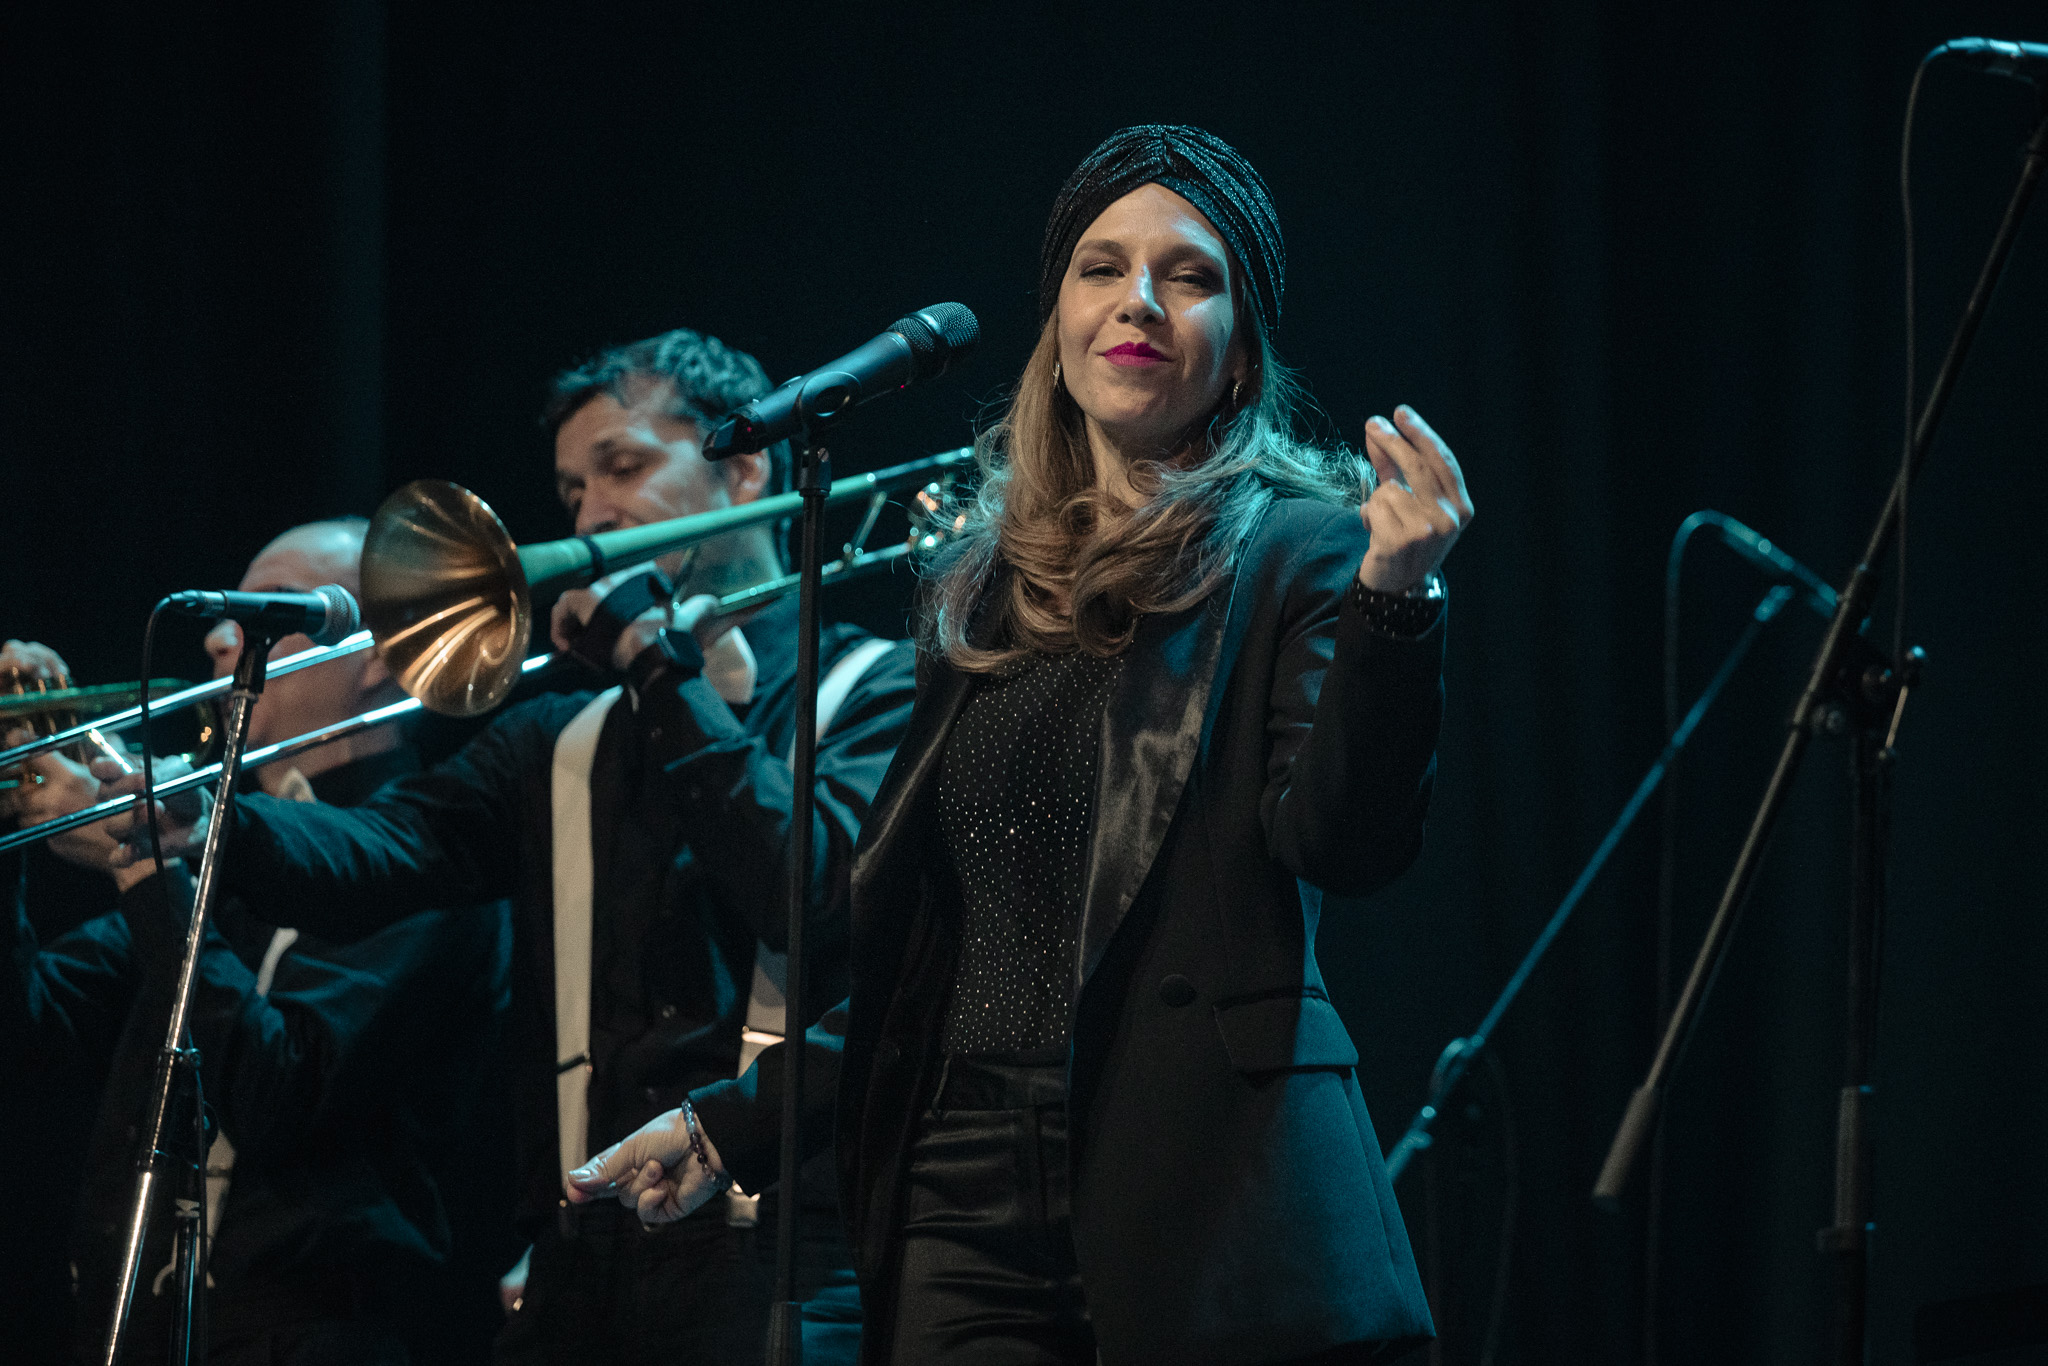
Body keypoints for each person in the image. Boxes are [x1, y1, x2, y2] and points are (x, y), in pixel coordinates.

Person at [569, 125, 1475, 1365]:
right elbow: (946, 954)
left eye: (1188, 276)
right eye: (1100, 268)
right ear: (1057, 326)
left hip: (1205, 1181)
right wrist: (735, 1122)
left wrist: (1394, 604)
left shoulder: (1302, 551)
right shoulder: (985, 586)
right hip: (958, 1188)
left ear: (1239, 350)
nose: (1138, 299)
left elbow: (1342, 841)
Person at [105, 330, 915, 1365]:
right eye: (573, 489)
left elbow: (812, 895)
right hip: (581, 1260)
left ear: (747, 470)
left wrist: (656, 665)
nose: (590, 515)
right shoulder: (556, 736)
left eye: (623, 466)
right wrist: (203, 819)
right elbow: (380, 850)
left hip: (782, 1261)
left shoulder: (880, 689)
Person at [0, 519, 518, 1365]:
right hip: (138, 1327)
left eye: (272, 608)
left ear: (381, 654)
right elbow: (30, 1033)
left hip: (308, 1334)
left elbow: (278, 1093)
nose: (218, 635)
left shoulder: (423, 869)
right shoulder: (216, 854)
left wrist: (143, 867)